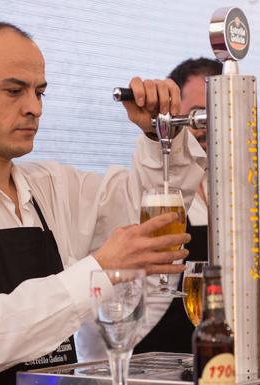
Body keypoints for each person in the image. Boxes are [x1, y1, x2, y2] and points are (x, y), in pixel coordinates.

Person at [0, 22, 206, 384]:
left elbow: (143, 212)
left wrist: (159, 134)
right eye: (14, 90)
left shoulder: (52, 188)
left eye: (39, 92)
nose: (34, 108)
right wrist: (100, 269)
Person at [75, 58, 221, 361]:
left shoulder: (233, 199)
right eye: (196, 115)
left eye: (215, 115)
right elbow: (104, 312)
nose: (205, 126)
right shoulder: (148, 185)